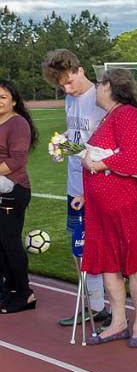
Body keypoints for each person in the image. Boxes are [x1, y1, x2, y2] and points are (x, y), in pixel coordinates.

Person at [81, 68, 137, 348]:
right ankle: (118, 321)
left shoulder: (127, 114)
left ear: (110, 86)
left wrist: (98, 164)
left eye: (99, 84)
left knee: (135, 263)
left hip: (128, 205)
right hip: (103, 209)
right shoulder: (110, 116)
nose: (96, 90)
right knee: (109, 264)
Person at [41, 49, 111, 328]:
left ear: (80, 70)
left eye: (70, 82)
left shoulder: (101, 98)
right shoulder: (70, 99)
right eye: (61, 86)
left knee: (102, 248)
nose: (67, 89)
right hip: (75, 185)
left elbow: (106, 146)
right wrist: (62, 141)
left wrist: (71, 146)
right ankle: (95, 307)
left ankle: (113, 309)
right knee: (78, 248)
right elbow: (77, 132)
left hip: (98, 185)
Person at [0, 79, 38, 314]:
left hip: (13, 190)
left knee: (10, 243)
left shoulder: (18, 124)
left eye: (3, 97)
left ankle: (25, 293)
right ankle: (8, 289)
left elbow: (17, 161)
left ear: (14, 101)